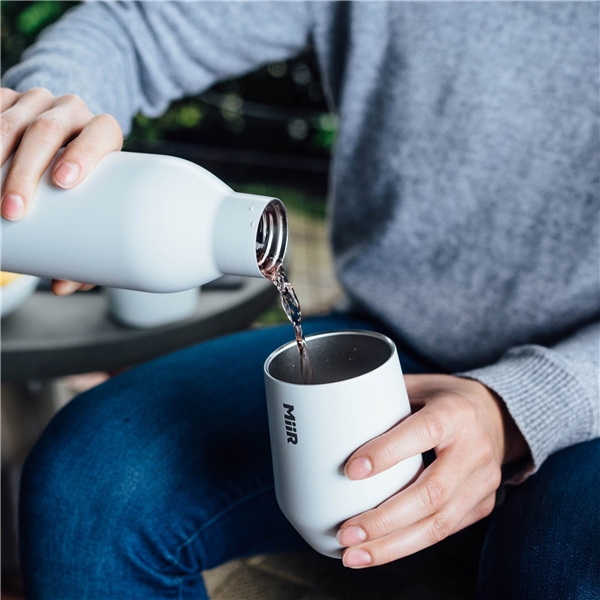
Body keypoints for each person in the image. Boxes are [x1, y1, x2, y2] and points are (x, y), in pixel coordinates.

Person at [2, 2, 598, 599]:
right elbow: (139, 26)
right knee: (88, 484)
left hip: (585, 390)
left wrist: (519, 408)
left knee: (559, 566)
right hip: (388, 336)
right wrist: (42, 124)